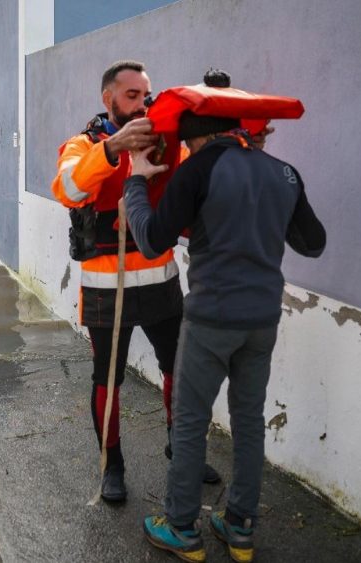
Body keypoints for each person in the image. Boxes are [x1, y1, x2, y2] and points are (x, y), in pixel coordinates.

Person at [125, 106, 326, 562]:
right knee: (249, 421)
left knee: (192, 420)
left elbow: (152, 239)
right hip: (261, 321)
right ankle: (240, 527)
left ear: (195, 139)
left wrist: (136, 181)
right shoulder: (284, 172)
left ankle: (181, 528)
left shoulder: (199, 168)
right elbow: (313, 244)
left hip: (212, 320)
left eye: (185, 145)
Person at [51, 60, 220, 503]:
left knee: (178, 371)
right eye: (132, 96)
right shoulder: (82, 144)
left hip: (162, 279)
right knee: (108, 380)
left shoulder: (165, 143)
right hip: (107, 288)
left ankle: (181, 449)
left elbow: (193, 181)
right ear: (108, 99)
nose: (143, 103)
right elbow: (67, 188)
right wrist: (112, 150)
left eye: (147, 95)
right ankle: (113, 464)